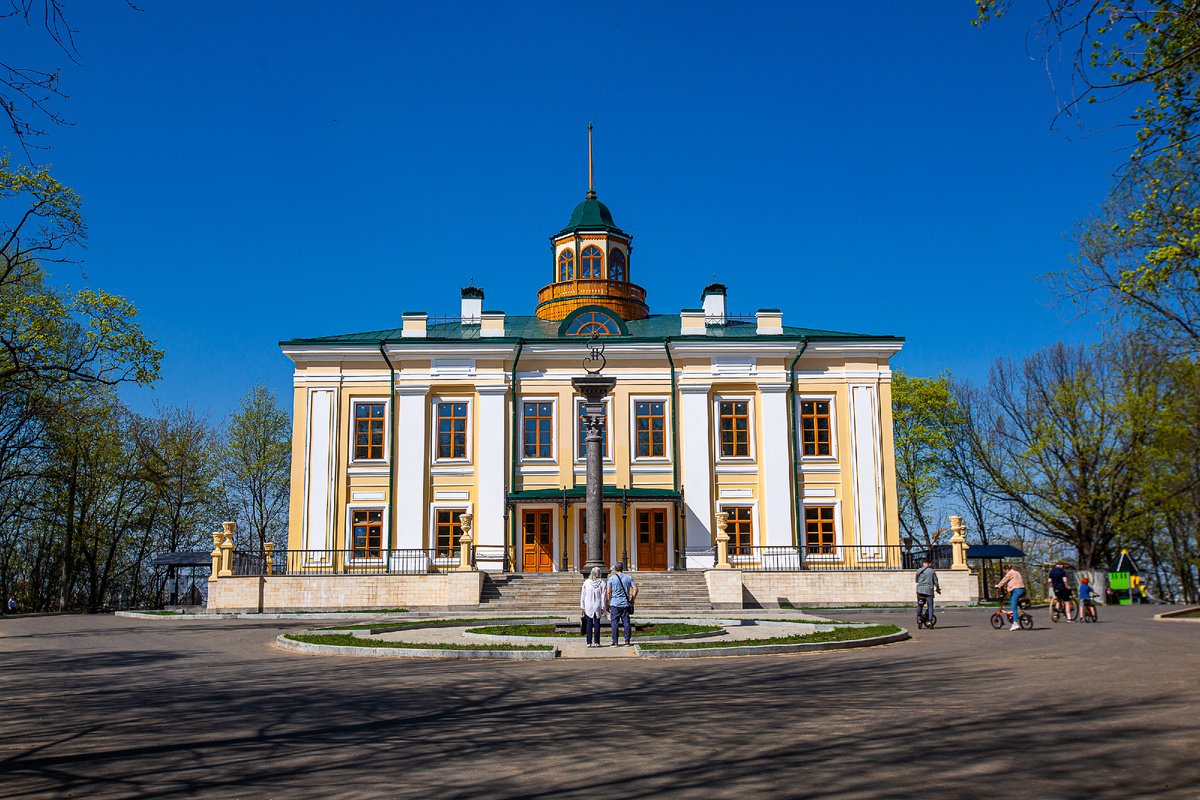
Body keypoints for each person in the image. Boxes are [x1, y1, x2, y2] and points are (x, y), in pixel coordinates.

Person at [606, 561, 638, 646]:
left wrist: (607, 603)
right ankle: (627, 641)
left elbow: (608, 592)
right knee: (626, 623)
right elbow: (635, 589)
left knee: (614, 623)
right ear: (623, 569)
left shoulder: (611, 578)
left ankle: (615, 642)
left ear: (615, 569)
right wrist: (633, 599)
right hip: (625, 603)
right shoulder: (628, 577)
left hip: (614, 604)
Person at [580, 566, 607, 648]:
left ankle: (589, 642)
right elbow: (603, 596)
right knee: (597, 624)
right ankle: (597, 642)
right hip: (597, 605)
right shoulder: (602, 583)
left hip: (588, 606)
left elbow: (583, 595)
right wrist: (603, 607)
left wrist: (582, 605)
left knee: (589, 624)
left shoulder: (586, 582)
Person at [995, 564, 1027, 631]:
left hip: (1017, 590)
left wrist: (998, 586)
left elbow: (1005, 579)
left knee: (1014, 606)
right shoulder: (1017, 572)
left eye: (1005, 571)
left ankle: (1015, 623)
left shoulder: (1010, 573)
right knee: (1011, 598)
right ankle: (1014, 613)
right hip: (1022, 589)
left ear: (1006, 570)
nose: (1005, 573)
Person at [915, 558, 941, 627]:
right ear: (929, 564)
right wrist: (938, 589)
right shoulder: (932, 571)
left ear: (923, 564)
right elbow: (936, 581)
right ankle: (930, 620)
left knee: (920, 604)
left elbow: (916, 580)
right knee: (930, 606)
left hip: (919, 590)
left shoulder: (918, 571)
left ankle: (918, 619)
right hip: (929, 591)